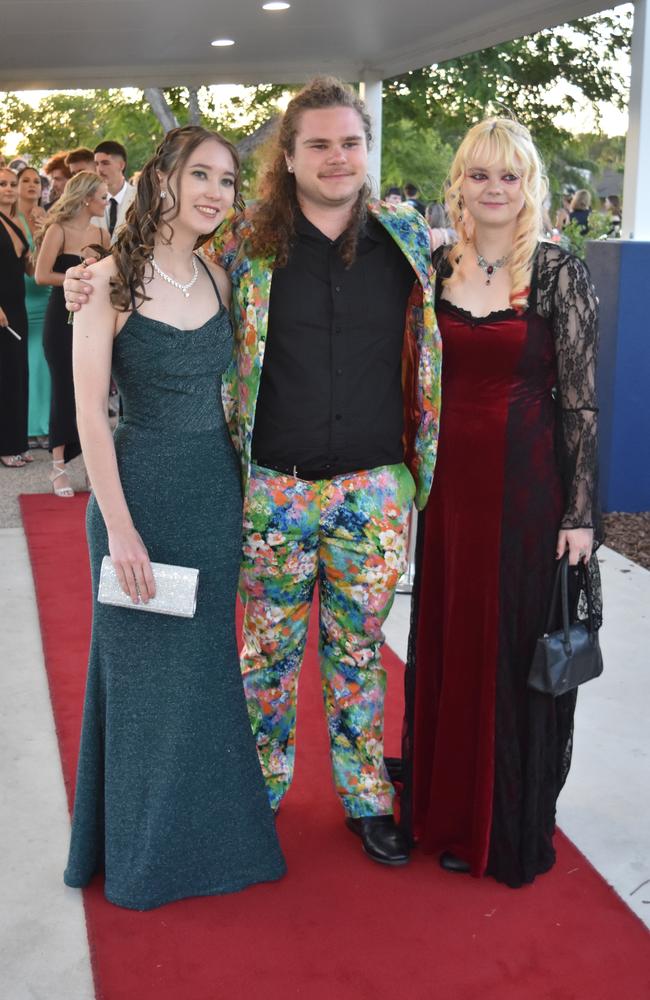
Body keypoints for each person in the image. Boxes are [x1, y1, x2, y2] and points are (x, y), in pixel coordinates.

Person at [66, 77, 442, 868]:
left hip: (372, 490)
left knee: (359, 650)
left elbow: (488, 264)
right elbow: (155, 264)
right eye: (319, 144)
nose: (337, 157)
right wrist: (82, 281)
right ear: (289, 158)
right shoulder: (245, 244)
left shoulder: (407, 234)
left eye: (350, 142)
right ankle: (256, 793)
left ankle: (367, 798)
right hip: (270, 485)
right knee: (265, 654)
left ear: (366, 151)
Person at [64, 125, 285, 911]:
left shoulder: (224, 281)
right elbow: (91, 415)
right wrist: (119, 527)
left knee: (201, 680)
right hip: (137, 496)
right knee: (137, 685)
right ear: (162, 179)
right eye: (201, 174)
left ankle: (211, 840)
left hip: (212, 494)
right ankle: (137, 854)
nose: (215, 193)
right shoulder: (105, 284)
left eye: (227, 181)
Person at [399, 117, 602, 888]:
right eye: (480, 175)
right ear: (460, 183)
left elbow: (579, 403)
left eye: (509, 176)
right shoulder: (432, 264)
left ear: (529, 186)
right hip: (448, 494)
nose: (493, 189)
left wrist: (580, 514)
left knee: (512, 649)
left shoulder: (556, 271)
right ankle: (445, 811)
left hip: (528, 493)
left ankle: (503, 824)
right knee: (452, 639)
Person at [35, 172, 109, 496]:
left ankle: (92, 467)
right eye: (103, 196)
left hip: (94, 320)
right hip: (60, 319)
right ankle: (58, 468)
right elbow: (41, 274)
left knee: (95, 392)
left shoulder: (102, 233)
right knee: (64, 388)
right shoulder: (58, 229)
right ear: (86, 198)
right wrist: (74, 277)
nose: (107, 202)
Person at [0, 167, 33, 468]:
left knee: (18, 374)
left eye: (12, 184)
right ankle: (7, 446)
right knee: (6, 377)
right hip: (1, 310)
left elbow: (25, 265)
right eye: (2, 184)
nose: (8, 189)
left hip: (18, 306)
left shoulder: (13, 220)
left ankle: (18, 443)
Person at [17, 165, 51, 445]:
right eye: (25, 181)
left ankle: (42, 425)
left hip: (46, 294)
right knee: (25, 362)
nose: (32, 186)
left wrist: (44, 231)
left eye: (36, 181)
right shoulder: (10, 218)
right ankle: (27, 426)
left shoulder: (46, 217)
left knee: (42, 361)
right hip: (21, 296)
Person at [94, 140, 135, 242]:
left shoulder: (139, 197)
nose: (100, 169)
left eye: (105, 163)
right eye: (97, 164)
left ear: (121, 165)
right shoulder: (89, 199)